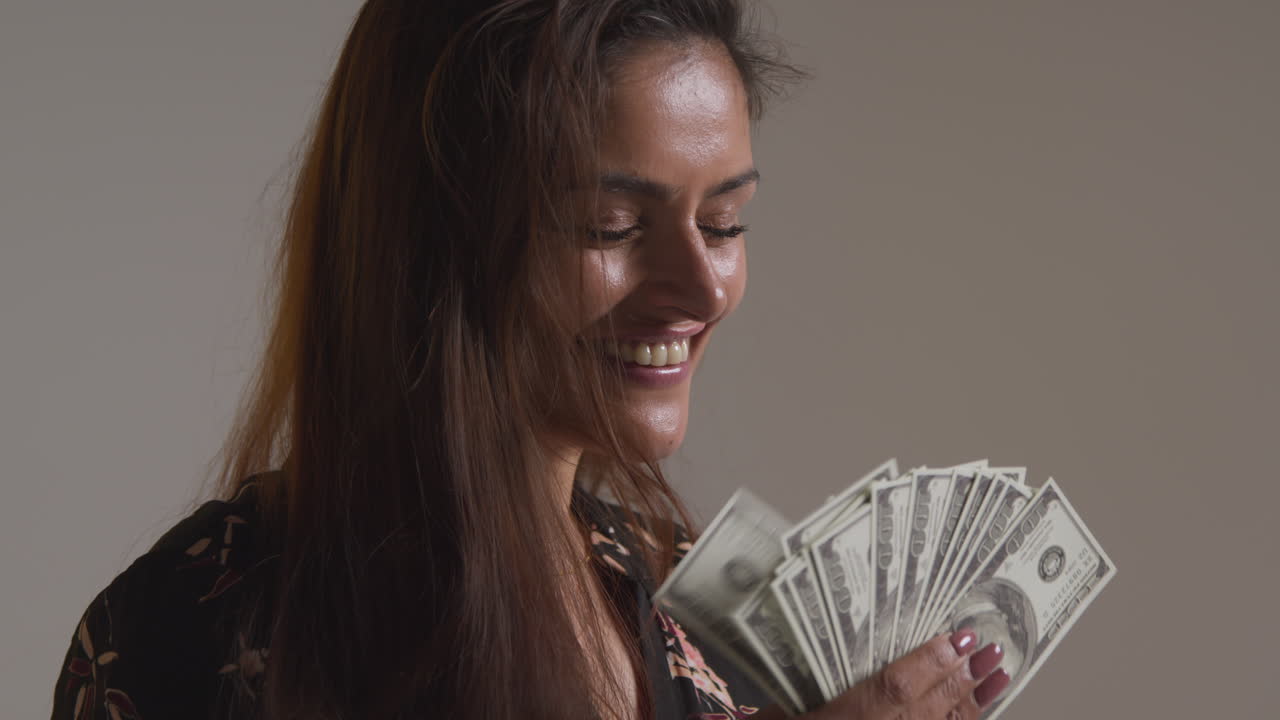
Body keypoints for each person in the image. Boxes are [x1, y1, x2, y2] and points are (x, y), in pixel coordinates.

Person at [50, 2, 1011, 719]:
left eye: (724, 222)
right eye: (613, 225)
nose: (702, 287)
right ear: (432, 247)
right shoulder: (183, 635)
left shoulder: (674, 585)